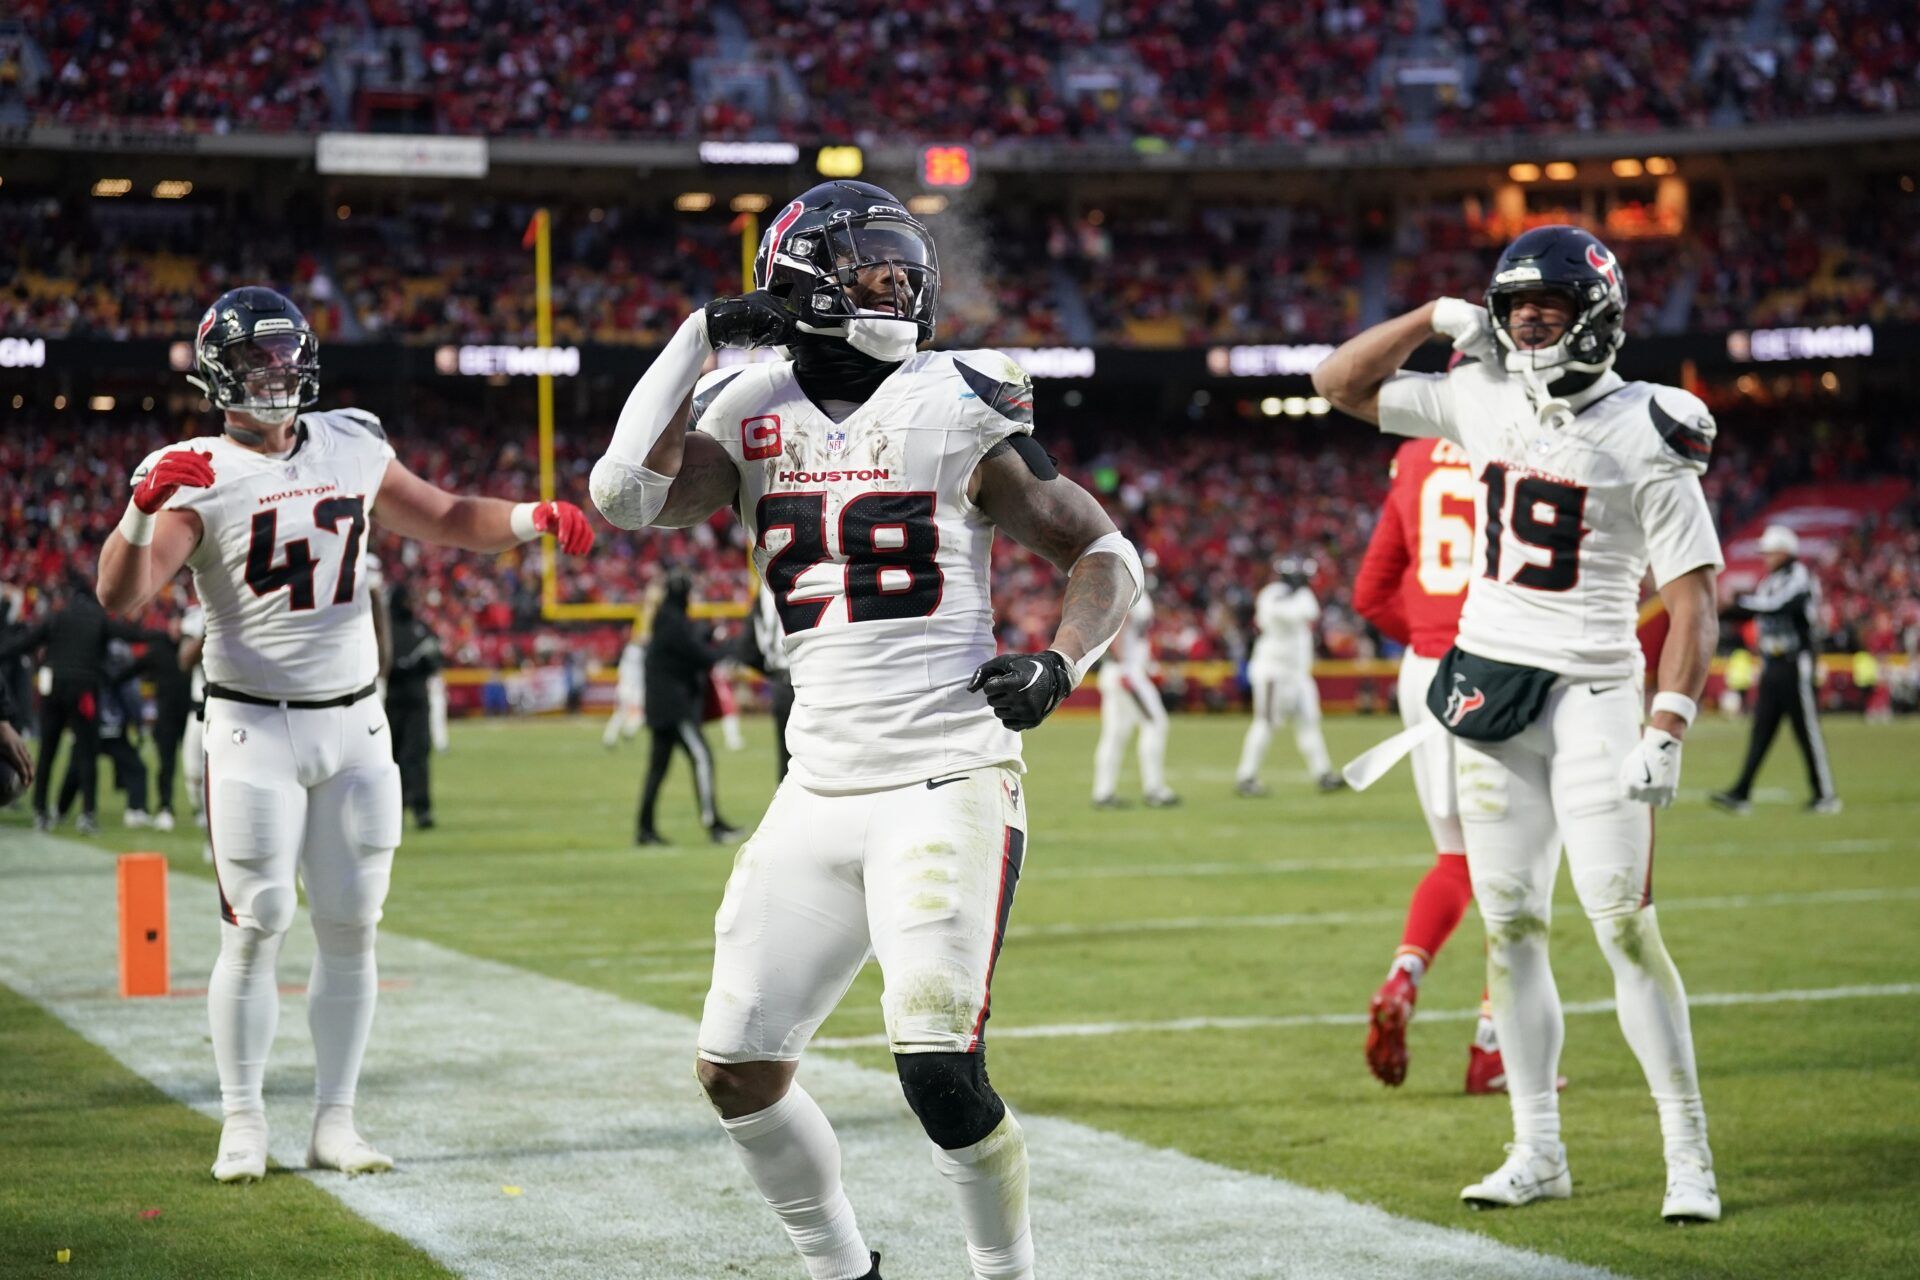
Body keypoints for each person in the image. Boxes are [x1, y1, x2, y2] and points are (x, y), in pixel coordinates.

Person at [590, 178, 1143, 1280]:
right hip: (818, 783)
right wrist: (698, 334)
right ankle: (842, 1267)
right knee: (735, 1069)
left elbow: (1103, 551)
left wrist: (1060, 657)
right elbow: (621, 493)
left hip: (945, 769)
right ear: (804, 288)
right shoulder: (747, 403)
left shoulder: (955, 398)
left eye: (906, 267)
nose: (901, 285)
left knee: (939, 1066)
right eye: (872, 270)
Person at [94, 285, 594, 1184]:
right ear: (220, 373)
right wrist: (137, 511)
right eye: (256, 361)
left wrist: (528, 519)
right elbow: (122, 596)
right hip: (253, 725)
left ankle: (335, 1122)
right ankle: (242, 1121)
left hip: (358, 723)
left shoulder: (351, 441)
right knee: (257, 924)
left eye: (285, 355)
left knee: (352, 927)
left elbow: (443, 516)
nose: (277, 374)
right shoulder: (194, 470)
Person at [1313, 224, 1723, 1222]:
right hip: (1491, 698)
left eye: (1547, 303)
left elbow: (1695, 596)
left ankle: (1688, 1154)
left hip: (1593, 698)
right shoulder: (1483, 395)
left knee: (1626, 927)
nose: (1529, 319)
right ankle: (1537, 1149)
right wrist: (1425, 314)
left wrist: (1667, 723)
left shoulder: (1650, 426)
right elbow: (1337, 381)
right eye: (1514, 305)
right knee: (1512, 928)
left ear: (1598, 313)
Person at [1351, 434, 1508, 1092]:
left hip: (1426, 672)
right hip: (1500, 666)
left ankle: (1403, 977)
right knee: (1518, 872)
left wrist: (1427, 637)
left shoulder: (1415, 455)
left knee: (1455, 857)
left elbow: (1369, 593)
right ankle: (1494, 1048)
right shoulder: (1521, 435)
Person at [0, 574, 168, 834]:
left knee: (47, 753)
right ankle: (87, 815)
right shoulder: (97, 618)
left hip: (53, 688)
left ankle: (41, 811)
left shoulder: (57, 616)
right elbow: (130, 634)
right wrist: (161, 635)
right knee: (86, 753)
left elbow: (25, 643)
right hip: (84, 692)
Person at [1711, 524, 1839, 814]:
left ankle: (1826, 795)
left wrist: (1735, 604)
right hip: (1772, 664)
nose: (1766, 557)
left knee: (1806, 731)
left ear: (1785, 551)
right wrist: (1725, 609)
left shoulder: (1799, 577)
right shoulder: (1769, 581)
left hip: (1795, 664)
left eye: (1770, 552)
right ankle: (1741, 792)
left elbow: (1776, 605)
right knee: (1761, 731)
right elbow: (1760, 607)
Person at [635, 572, 738, 845]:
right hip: (674, 709)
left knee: (657, 770)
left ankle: (644, 829)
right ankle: (713, 823)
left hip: (659, 707)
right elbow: (700, 656)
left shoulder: (665, 620)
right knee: (702, 758)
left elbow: (689, 641)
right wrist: (729, 647)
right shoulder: (675, 624)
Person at [1236, 556, 1342, 795]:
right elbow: (1288, 614)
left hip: (1298, 673)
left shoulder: (1301, 595)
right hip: (1274, 672)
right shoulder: (1273, 593)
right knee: (1265, 723)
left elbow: (1310, 612)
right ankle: (1246, 776)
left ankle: (1322, 773)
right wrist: (1296, 596)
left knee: (1309, 723)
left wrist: (1298, 595)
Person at [1091, 589, 1178, 808]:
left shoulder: (1132, 590)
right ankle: (1154, 789)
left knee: (1115, 734)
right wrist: (1123, 664)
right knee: (1155, 723)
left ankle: (1103, 793)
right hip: (1125, 673)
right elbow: (1116, 625)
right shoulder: (1127, 589)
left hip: (1121, 670)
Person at [383, 585, 442, 830]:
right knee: (392, 756)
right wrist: (398, 666)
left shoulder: (421, 628)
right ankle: (392, 809)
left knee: (417, 755)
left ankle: (421, 808)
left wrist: (421, 663)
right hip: (394, 698)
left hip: (417, 699)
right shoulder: (385, 628)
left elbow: (436, 660)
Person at [738, 583, 794, 780]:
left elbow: (747, 649)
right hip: (815, 679)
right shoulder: (810, 572)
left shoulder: (764, 588)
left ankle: (787, 810)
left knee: (788, 765)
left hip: (781, 681)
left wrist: (772, 674)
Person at [603, 618, 646, 749]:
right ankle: (629, 731)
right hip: (633, 688)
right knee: (641, 713)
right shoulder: (636, 650)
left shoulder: (628, 650)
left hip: (624, 687)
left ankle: (609, 738)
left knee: (620, 713)